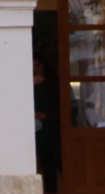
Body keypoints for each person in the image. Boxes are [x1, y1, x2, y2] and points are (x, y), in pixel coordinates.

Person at [33, 57, 62, 194]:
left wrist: (45, 116)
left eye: (38, 65)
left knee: (57, 170)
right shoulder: (30, 85)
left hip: (54, 136)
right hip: (38, 138)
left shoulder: (54, 85)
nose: (35, 70)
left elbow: (66, 110)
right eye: (32, 66)